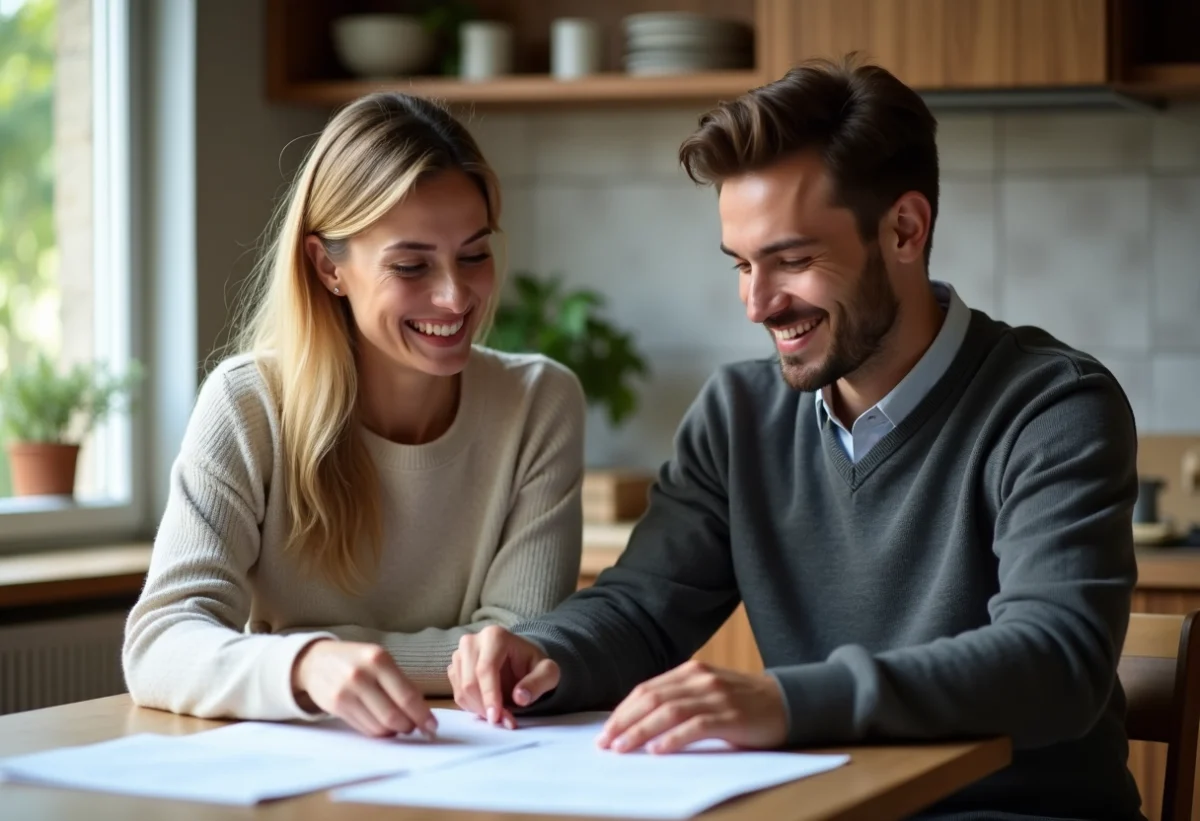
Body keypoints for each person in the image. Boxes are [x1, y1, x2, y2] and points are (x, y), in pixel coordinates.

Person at [448, 57, 1143, 820]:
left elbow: (1057, 659)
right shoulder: (738, 414)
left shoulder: (1052, 405)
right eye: (742, 265)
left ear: (905, 229)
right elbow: (642, 611)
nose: (757, 304)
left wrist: (785, 700)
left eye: (793, 260)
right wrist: (544, 651)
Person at [123, 92, 586, 740]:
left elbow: (515, 645)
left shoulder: (539, 403)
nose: (455, 295)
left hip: (471, 761)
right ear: (328, 266)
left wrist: (311, 646)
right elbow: (159, 642)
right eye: (411, 265)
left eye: (475, 254)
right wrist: (308, 663)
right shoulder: (247, 403)